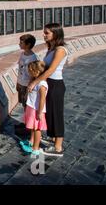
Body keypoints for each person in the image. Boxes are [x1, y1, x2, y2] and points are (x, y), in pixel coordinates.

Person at [27, 23, 67, 157]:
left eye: (46, 33)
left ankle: (58, 147)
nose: (43, 35)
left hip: (56, 85)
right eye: (44, 32)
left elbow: (51, 70)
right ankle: (54, 138)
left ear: (55, 34)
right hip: (49, 83)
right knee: (49, 113)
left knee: (56, 114)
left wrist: (35, 82)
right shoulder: (51, 48)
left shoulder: (60, 50)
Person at [20, 61, 48, 156]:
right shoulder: (35, 80)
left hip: (37, 110)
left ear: (36, 72)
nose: (29, 72)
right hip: (31, 107)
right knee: (33, 127)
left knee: (37, 129)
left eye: (30, 71)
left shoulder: (42, 84)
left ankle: (35, 148)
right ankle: (31, 142)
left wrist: (40, 112)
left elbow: (42, 99)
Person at [15, 34, 38, 133]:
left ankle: (28, 127)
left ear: (28, 45)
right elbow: (20, 69)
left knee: (27, 105)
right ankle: (26, 122)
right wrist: (18, 82)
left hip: (27, 85)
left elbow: (33, 75)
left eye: (21, 42)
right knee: (23, 105)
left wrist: (29, 85)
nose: (19, 44)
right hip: (21, 83)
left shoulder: (33, 58)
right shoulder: (22, 54)